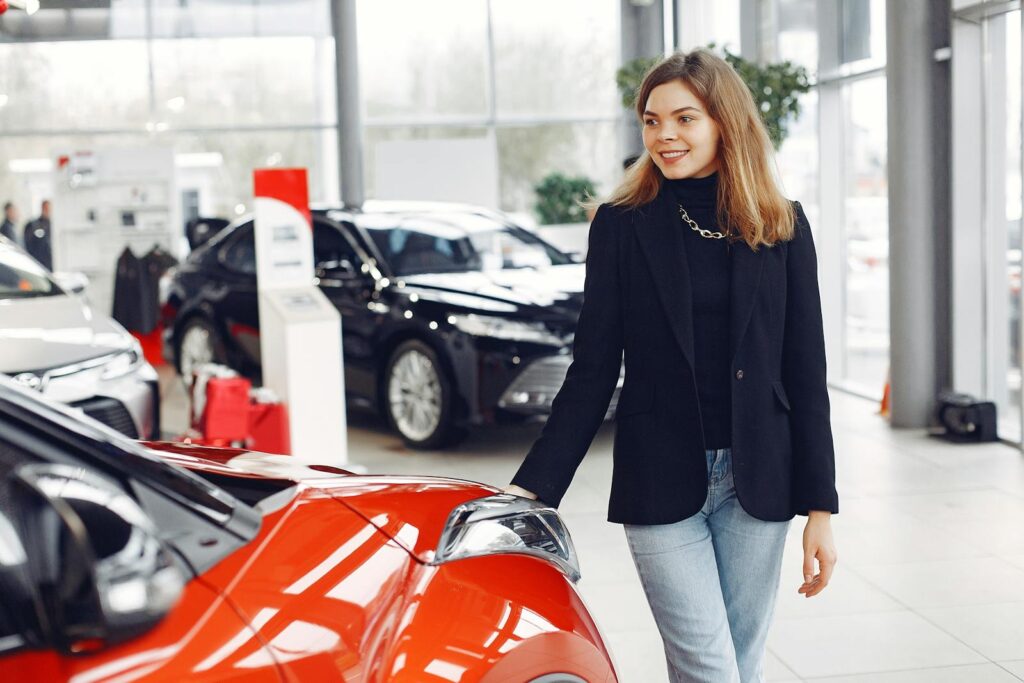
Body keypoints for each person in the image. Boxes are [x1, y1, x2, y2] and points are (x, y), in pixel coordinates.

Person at [505, 48, 838, 683]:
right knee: (706, 666)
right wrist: (535, 488)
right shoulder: (622, 227)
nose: (665, 136)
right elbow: (593, 367)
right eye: (651, 121)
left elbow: (805, 371)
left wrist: (820, 506)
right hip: (660, 474)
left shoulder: (782, 225)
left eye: (684, 119)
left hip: (760, 479)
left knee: (739, 664)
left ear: (724, 121)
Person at [23, 199, 53, 270]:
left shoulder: (53, 226)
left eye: (49, 209)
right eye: (46, 208)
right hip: (37, 262)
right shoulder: (33, 225)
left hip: (50, 263)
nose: (47, 211)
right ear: (42, 208)